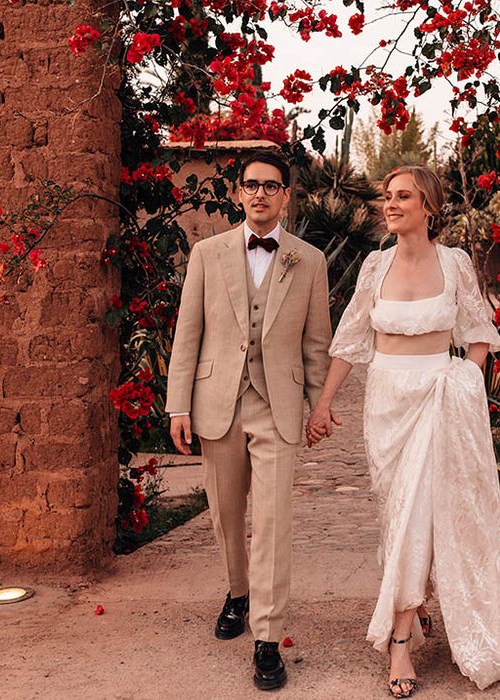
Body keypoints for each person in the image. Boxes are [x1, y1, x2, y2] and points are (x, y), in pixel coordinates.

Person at [307, 165, 500, 696]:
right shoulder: (374, 265)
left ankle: (400, 642)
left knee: (419, 513)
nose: (390, 204)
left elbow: (478, 333)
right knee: (400, 517)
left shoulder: (454, 264)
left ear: (428, 208)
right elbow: (350, 340)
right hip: (386, 402)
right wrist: (323, 405)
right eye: (387, 197)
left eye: (402, 196)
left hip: (438, 397)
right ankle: (417, 598)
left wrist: (467, 387)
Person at [165, 150, 333, 691]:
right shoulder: (206, 254)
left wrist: (318, 405)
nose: (260, 193)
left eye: (271, 186)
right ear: (239, 193)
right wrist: (179, 405)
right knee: (225, 515)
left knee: (274, 522)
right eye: (251, 184)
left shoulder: (309, 260)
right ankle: (238, 592)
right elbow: (187, 333)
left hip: (277, 406)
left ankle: (266, 636)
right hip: (217, 402)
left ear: (286, 196)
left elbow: (316, 344)